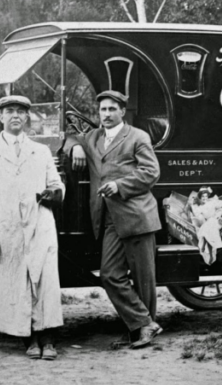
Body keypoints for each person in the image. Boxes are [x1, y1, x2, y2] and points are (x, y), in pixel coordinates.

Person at [0, 95, 65, 360]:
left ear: (27, 117)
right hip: (8, 228)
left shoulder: (41, 151)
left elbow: (57, 184)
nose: (15, 116)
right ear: (0, 116)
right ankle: (29, 339)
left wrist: (53, 192)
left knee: (44, 280)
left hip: (40, 224)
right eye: (10, 111)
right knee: (18, 282)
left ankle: (48, 338)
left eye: (21, 112)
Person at [70, 90, 163, 349]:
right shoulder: (92, 137)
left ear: (122, 111)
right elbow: (71, 137)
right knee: (110, 274)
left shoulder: (137, 137)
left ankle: (142, 329)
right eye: (103, 110)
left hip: (136, 216)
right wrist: (75, 145)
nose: (107, 114)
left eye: (112, 109)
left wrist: (119, 185)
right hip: (108, 219)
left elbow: (151, 172)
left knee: (144, 279)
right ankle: (143, 323)